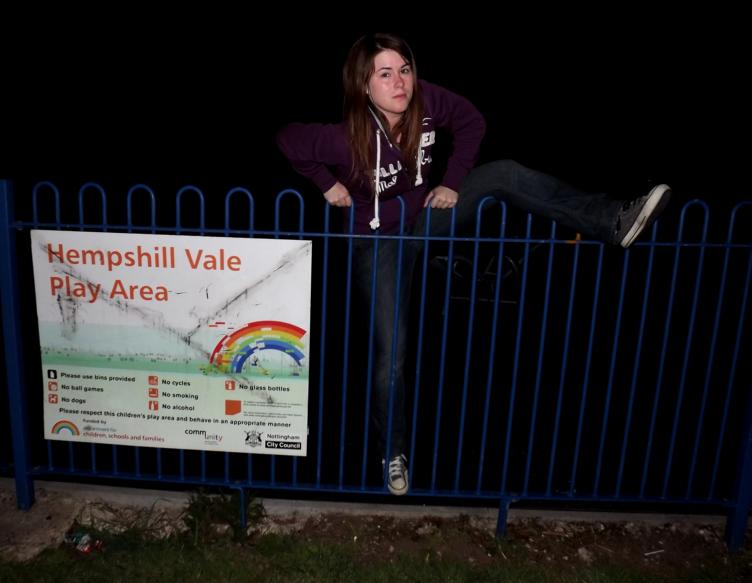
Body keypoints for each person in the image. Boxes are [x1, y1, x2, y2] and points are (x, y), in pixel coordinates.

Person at [277, 33, 670, 496]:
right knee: (392, 353)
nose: (400, 82)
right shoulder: (345, 139)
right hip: (376, 242)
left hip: (425, 219)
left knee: (503, 172)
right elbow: (288, 139)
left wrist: (453, 181)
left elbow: (470, 121)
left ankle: (613, 220)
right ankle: (393, 451)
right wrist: (326, 183)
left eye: (404, 69)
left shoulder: (426, 102)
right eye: (385, 74)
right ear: (364, 85)